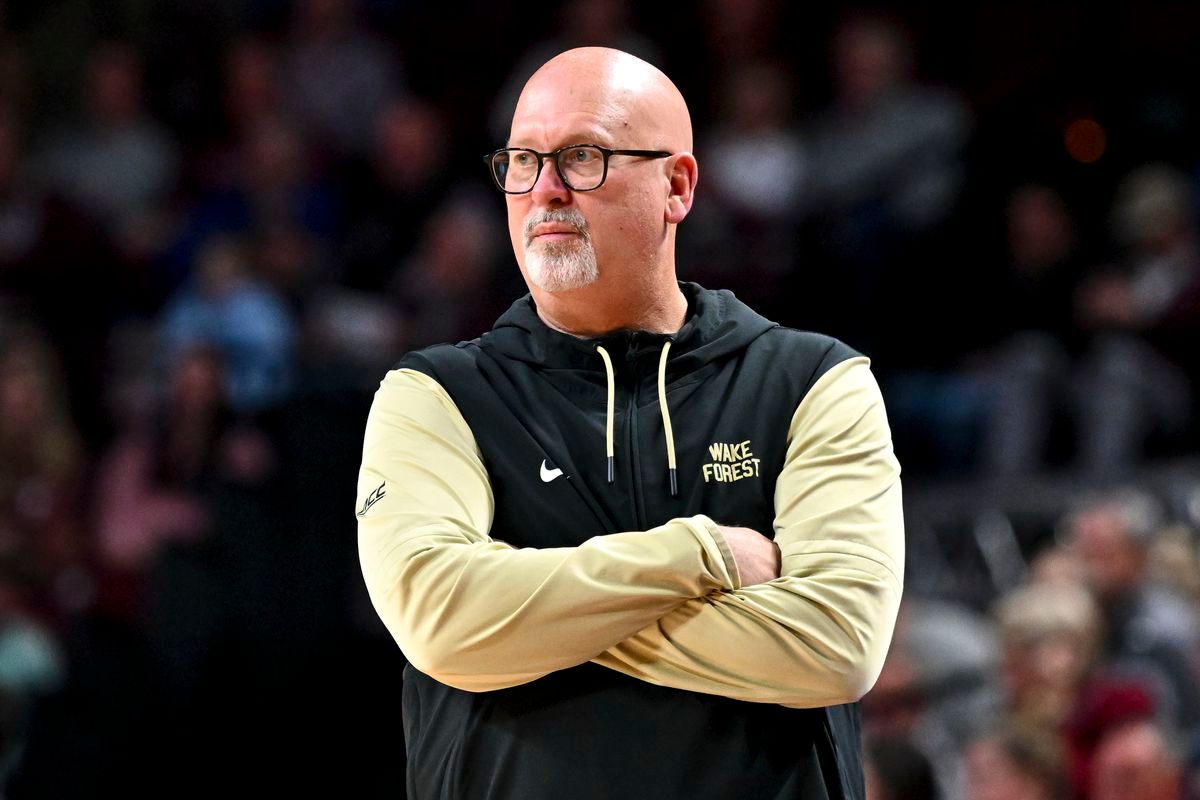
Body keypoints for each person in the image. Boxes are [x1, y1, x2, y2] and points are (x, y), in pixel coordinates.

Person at [356, 47, 904, 800]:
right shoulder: (434, 394)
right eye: (522, 161)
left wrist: (526, 612)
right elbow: (441, 618)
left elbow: (836, 647)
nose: (544, 189)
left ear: (676, 185)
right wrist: (699, 557)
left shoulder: (815, 382)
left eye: (581, 157)